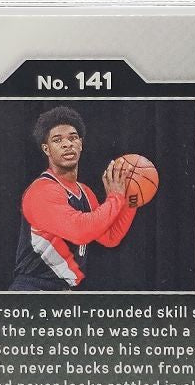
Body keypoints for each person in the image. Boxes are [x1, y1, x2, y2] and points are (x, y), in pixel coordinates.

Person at [10, 106, 135, 291]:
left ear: (81, 144)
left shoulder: (85, 192)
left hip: (62, 291)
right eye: (57, 140)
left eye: (73, 137)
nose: (67, 144)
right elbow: (80, 231)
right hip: (33, 289)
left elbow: (110, 236)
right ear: (46, 149)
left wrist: (132, 198)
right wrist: (115, 197)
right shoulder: (41, 191)